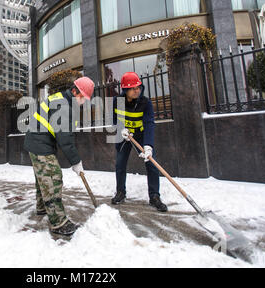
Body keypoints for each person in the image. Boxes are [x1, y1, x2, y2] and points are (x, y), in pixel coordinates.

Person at [24, 76, 95, 236]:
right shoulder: (64, 107)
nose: (83, 102)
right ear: (75, 91)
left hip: (36, 140)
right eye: (83, 97)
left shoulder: (61, 98)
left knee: (42, 176)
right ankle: (58, 223)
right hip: (40, 143)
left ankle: (42, 207)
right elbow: (66, 139)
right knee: (52, 178)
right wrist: (76, 162)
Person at [111, 72, 168, 212]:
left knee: (151, 164)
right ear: (125, 90)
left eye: (138, 87)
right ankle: (120, 192)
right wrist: (120, 129)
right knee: (120, 164)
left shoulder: (146, 103)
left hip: (141, 135)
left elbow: (149, 123)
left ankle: (154, 196)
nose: (137, 90)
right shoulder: (116, 101)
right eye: (132, 88)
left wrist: (148, 145)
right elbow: (113, 118)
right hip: (125, 136)